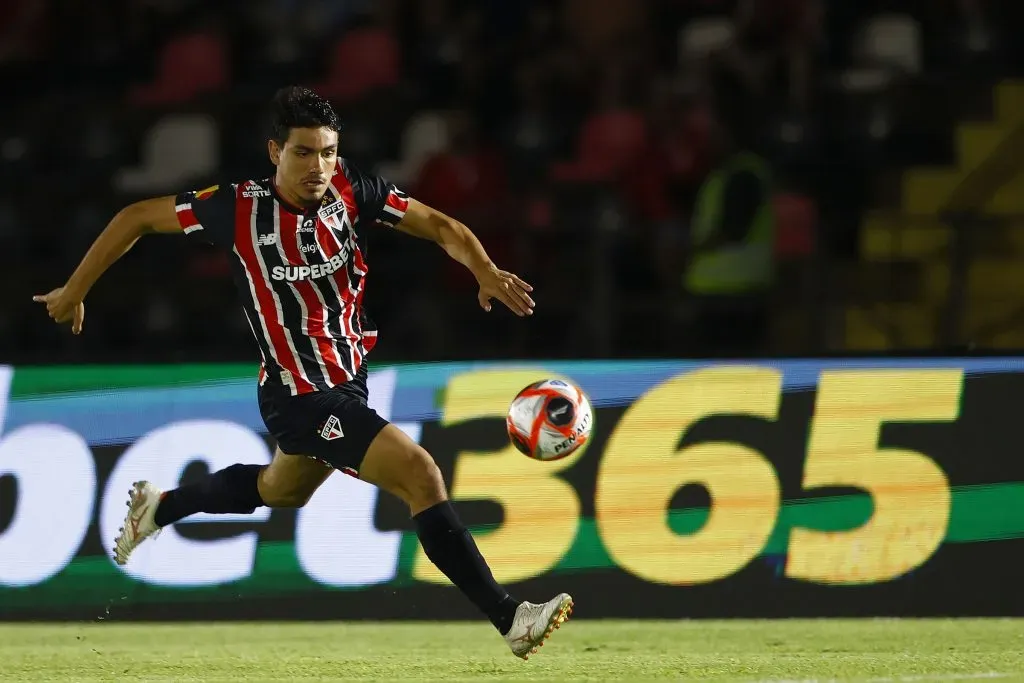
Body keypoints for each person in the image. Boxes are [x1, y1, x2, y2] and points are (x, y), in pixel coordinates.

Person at [33, 86, 572, 659]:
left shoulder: (350, 189)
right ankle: (509, 616)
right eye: (304, 153)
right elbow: (136, 217)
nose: (319, 167)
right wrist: (74, 290)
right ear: (275, 152)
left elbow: (438, 225)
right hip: (300, 395)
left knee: (278, 488)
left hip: (346, 379)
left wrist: (484, 270)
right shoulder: (236, 206)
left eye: (328, 152)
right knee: (421, 475)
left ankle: (161, 507)